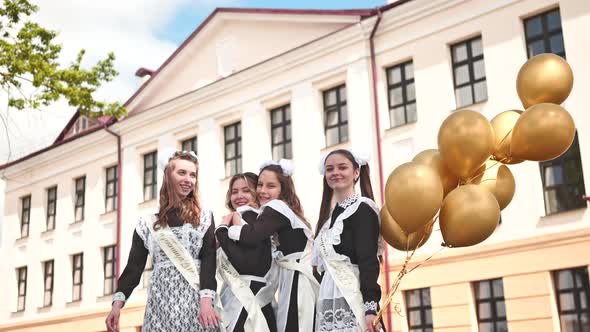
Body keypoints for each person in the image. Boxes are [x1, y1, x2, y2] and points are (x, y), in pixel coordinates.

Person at [105, 150, 221, 332]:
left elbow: (208, 260)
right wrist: (117, 305)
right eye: (182, 173)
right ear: (168, 176)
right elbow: (134, 268)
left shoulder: (204, 218)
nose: (189, 179)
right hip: (160, 304)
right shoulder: (147, 224)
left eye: (193, 175)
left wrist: (206, 301)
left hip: (196, 302)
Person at [219, 159, 318, 332]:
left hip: (297, 277)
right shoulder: (280, 210)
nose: (263, 191)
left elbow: (252, 236)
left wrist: (223, 229)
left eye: (270, 186)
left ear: (283, 188)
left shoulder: (277, 206)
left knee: (296, 324)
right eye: (260, 185)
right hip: (290, 276)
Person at [312, 149, 384, 332]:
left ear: (356, 172)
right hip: (329, 299)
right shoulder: (329, 219)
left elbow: (368, 260)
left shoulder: (363, 209)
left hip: (353, 298)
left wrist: (370, 307)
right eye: (330, 169)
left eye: (342, 167)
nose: (335, 172)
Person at [215, 172, 277, 332]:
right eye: (234, 192)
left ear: (257, 192)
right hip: (250, 294)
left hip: (246, 296)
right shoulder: (260, 219)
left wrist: (221, 231)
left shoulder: (249, 216)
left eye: (246, 190)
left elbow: (245, 263)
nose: (239, 196)